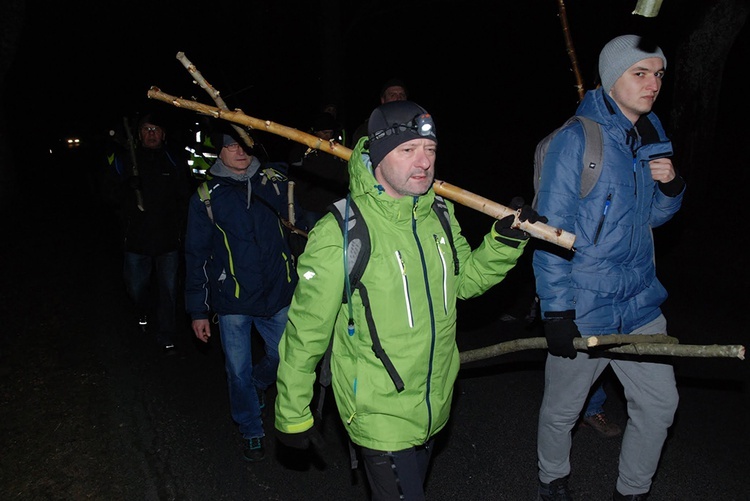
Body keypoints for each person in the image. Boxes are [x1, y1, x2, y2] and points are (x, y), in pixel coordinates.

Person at [274, 100, 545, 500]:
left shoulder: (439, 211)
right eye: (408, 150)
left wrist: (505, 242)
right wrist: (293, 413)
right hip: (378, 410)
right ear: (378, 158)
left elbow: (464, 283)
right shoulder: (342, 231)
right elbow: (305, 330)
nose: (424, 162)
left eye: (430, 150)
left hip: (434, 400)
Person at [533, 34, 686, 500]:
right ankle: (552, 479)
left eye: (658, 74)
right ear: (608, 77)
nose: (653, 84)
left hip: (640, 301)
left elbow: (652, 219)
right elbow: (549, 231)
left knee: (660, 405)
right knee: (563, 409)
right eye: (640, 73)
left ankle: (633, 490)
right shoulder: (576, 140)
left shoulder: (650, 133)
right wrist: (557, 312)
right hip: (586, 303)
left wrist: (672, 185)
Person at [184, 124, 300, 463]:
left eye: (244, 143)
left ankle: (258, 383)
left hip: (277, 294)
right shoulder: (206, 197)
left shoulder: (273, 183)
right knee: (236, 370)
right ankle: (251, 429)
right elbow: (196, 256)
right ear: (219, 151)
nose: (240, 150)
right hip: (233, 299)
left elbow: (301, 215)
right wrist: (198, 311)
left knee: (286, 357)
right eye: (231, 145)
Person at [103, 111, 190, 355]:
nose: (151, 134)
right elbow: (108, 194)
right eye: (146, 129)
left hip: (167, 241)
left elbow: (184, 197)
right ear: (139, 134)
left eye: (156, 129)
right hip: (136, 241)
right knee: (135, 287)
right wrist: (126, 188)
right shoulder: (125, 160)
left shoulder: (174, 160)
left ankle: (167, 336)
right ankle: (142, 310)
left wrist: (180, 228)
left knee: (169, 291)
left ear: (163, 135)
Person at [287, 111, 349, 231]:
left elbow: (344, 174)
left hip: (334, 204)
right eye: (324, 133)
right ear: (316, 131)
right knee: (313, 234)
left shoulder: (337, 147)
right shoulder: (301, 147)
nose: (328, 136)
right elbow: (294, 176)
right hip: (311, 206)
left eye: (330, 133)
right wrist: (301, 200)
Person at [349, 77, 408, 147]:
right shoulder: (368, 128)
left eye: (402, 95)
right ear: (383, 100)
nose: (398, 98)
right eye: (393, 95)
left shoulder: (414, 124)